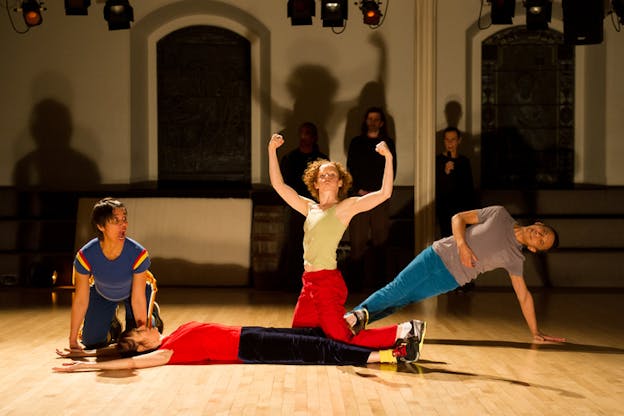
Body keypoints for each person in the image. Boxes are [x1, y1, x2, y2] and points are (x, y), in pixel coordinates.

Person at [268, 133, 425, 350]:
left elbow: (385, 193)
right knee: (299, 336)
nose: (327, 178)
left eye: (332, 174)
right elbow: (278, 185)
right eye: (322, 175)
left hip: (326, 284)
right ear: (315, 182)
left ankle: (405, 332)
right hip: (309, 284)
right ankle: (349, 322)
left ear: (340, 181)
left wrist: (388, 157)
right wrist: (271, 149)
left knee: (342, 339)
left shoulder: (345, 208)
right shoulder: (309, 207)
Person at [344, 205, 566, 343]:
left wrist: (536, 332)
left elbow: (523, 295)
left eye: (542, 241)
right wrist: (462, 245)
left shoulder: (515, 259)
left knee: (399, 301)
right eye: (543, 231)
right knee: (395, 289)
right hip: (436, 255)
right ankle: (347, 321)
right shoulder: (499, 214)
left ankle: (355, 325)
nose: (539, 235)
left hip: (450, 279)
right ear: (539, 224)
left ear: (535, 249)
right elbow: (458, 218)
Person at [53, 321, 423, 372]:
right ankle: (391, 355)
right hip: (251, 348)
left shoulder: (170, 336)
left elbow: (121, 353)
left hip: (249, 332)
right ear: (139, 346)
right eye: (139, 332)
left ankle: (396, 338)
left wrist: (84, 352)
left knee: (317, 335)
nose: (144, 325)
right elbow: (129, 364)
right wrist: (90, 368)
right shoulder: (164, 353)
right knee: (318, 352)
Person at [68, 197, 163, 351]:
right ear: (100, 226)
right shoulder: (85, 255)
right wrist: (72, 341)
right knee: (92, 342)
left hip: (134, 293)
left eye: (124, 219)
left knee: (135, 341)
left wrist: (142, 331)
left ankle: (152, 316)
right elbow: (80, 299)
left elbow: (138, 297)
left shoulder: (137, 253)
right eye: (116, 221)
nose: (123, 225)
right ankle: (111, 324)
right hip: (102, 292)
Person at [346, 107, 397, 290]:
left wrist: (379, 192)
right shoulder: (356, 143)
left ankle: (380, 285)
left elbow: (392, 170)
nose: (373, 122)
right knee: (357, 242)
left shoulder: (387, 144)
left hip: (380, 198)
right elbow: (350, 168)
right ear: (365, 121)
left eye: (376, 119)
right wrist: (359, 190)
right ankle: (355, 285)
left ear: (381, 123)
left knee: (380, 241)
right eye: (370, 119)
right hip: (359, 197)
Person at [279, 122, 328, 291]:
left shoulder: (322, 160)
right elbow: (284, 184)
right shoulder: (290, 158)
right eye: (302, 133)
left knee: (315, 245)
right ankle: (292, 283)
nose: (304, 137)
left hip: (316, 208)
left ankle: (314, 283)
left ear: (314, 137)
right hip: (294, 207)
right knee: (294, 243)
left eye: (307, 133)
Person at [436, 127, 476, 237]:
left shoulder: (464, 161)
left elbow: (469, 188)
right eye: (447, 139)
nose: (450, 143)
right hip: (445, 209)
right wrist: (445, 173)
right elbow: (436, 187)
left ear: (459, 140)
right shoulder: (438, 161)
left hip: (462, 209)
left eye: (453, 139)